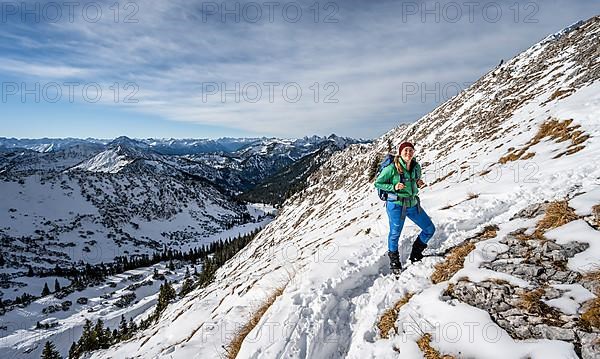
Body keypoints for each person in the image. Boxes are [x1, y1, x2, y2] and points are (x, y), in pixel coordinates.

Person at [374, 141, 436, 273]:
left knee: (429, 229)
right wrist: (393, 187)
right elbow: (378, 183)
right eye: (405, 150)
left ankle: (415, 254)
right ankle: (394, 261)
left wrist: (418, 183)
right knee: (395, 234)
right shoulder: (392, 168)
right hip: (396, 205)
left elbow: (414, 181)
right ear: (400, 153)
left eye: (410, 150)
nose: (408, 153)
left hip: (413, 204)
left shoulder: (416, 167)